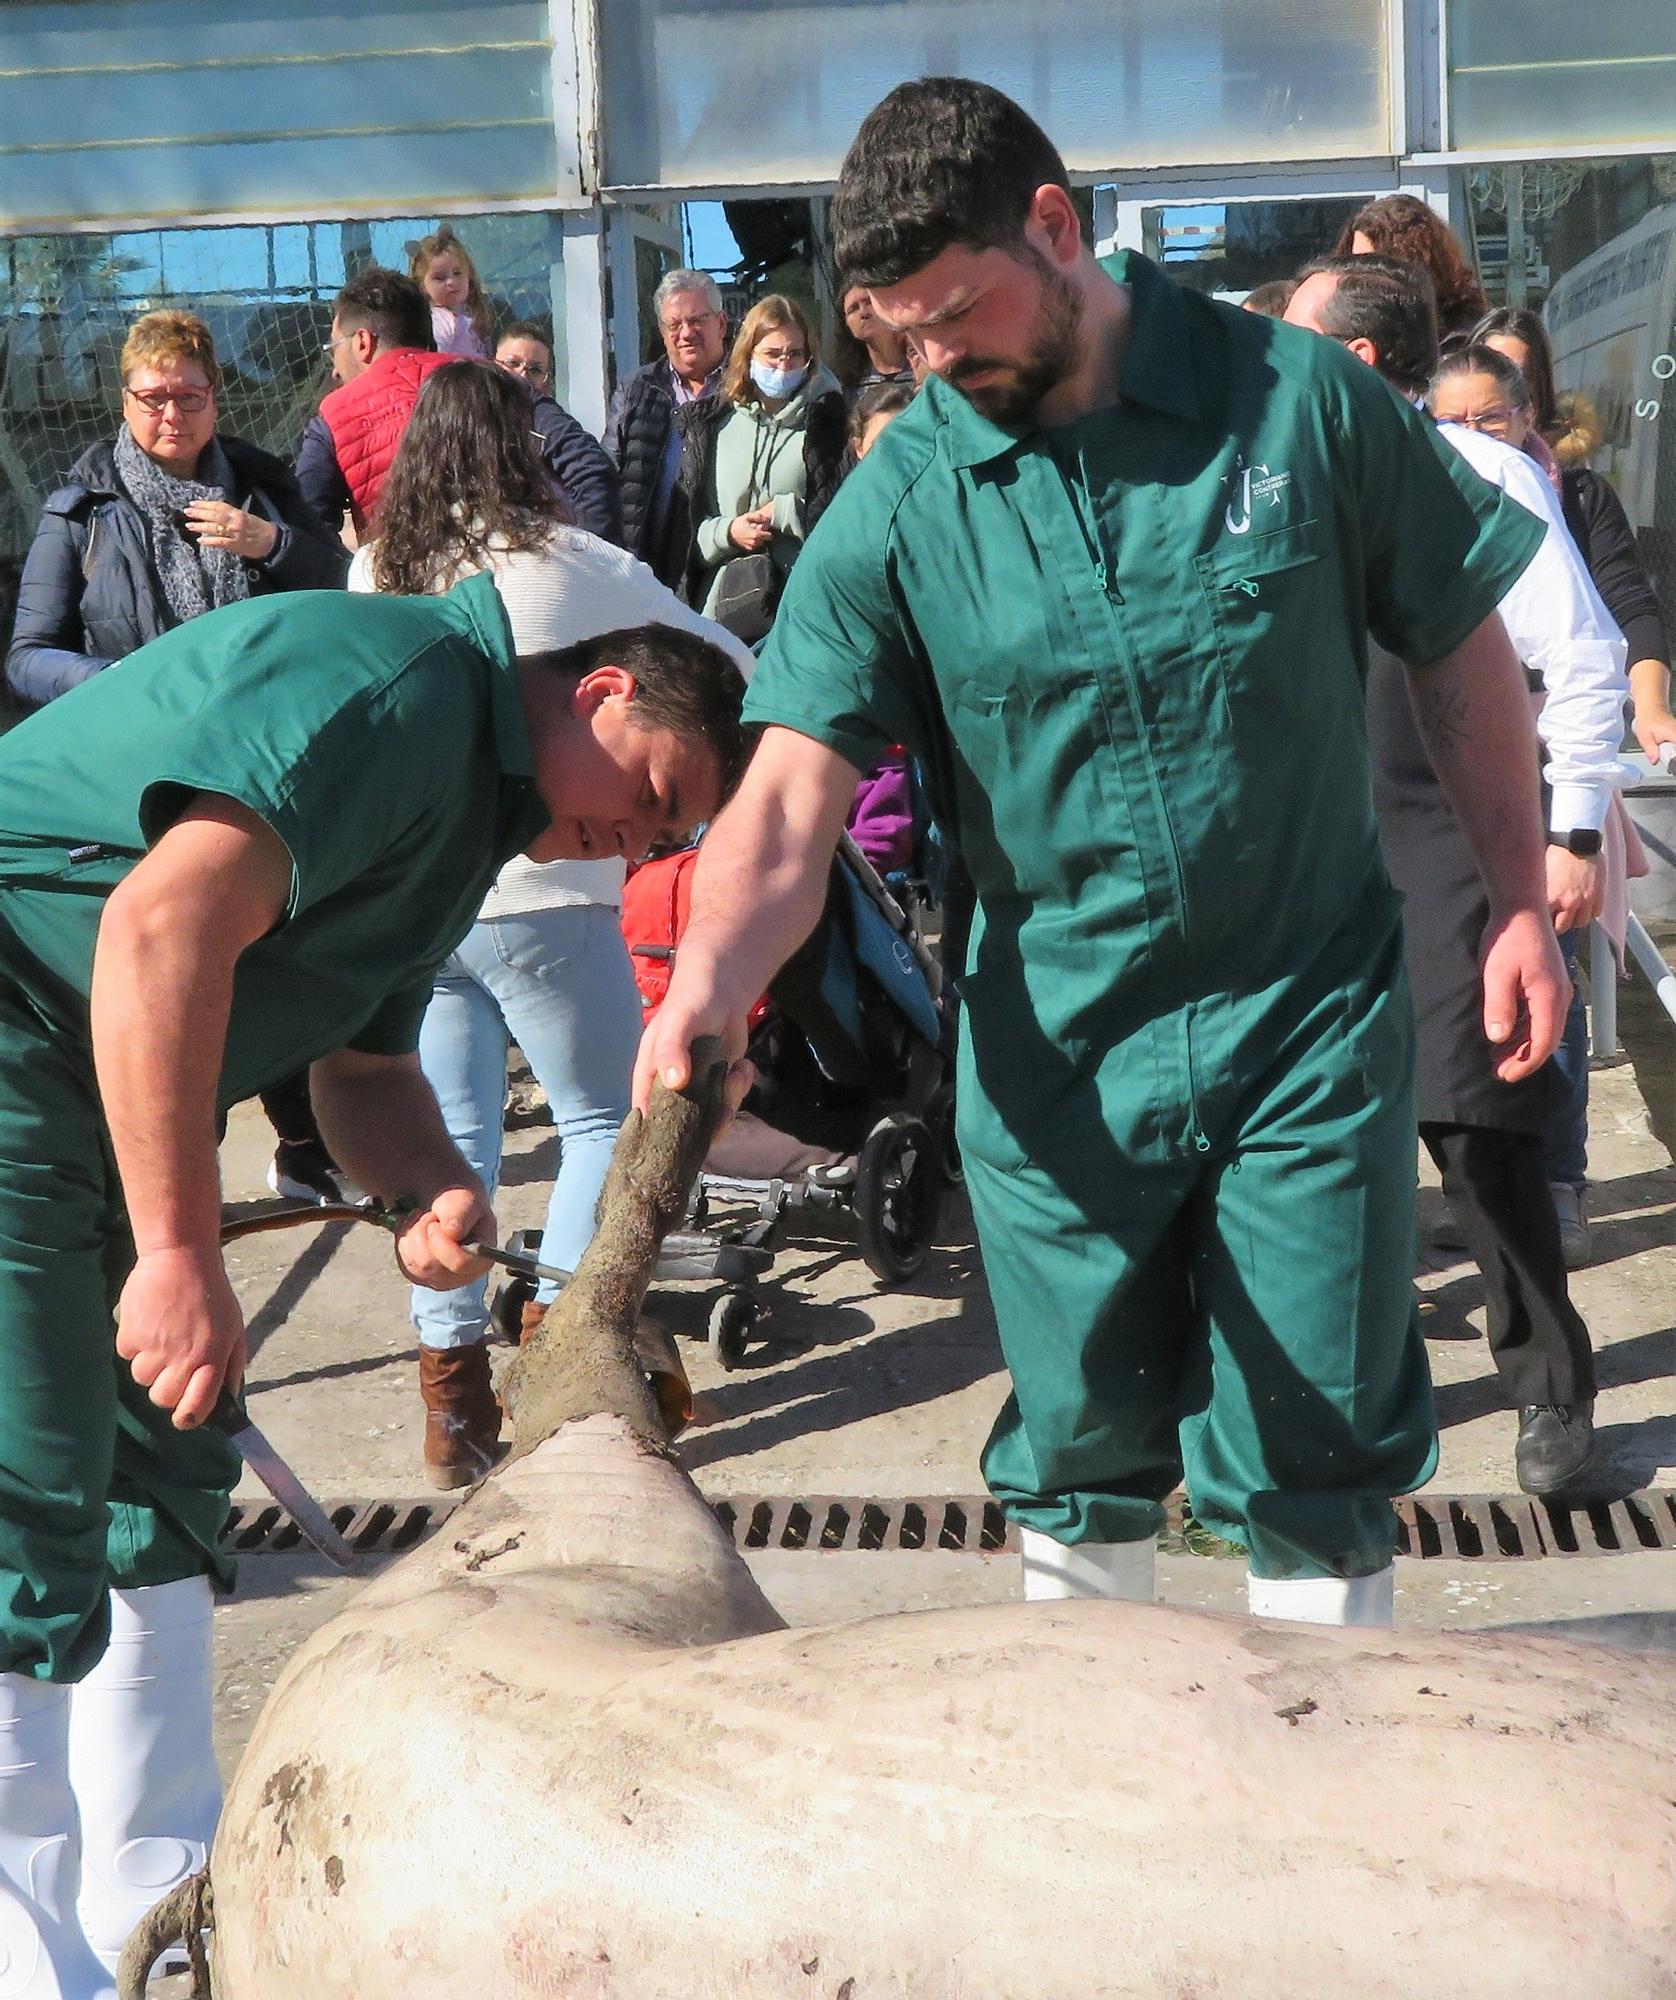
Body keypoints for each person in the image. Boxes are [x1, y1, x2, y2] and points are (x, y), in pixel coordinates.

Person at [637, 77, 1568, 1631]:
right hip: (1057, 1043)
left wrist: (1520, 904)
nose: (935, 361)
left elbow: (1463, 658)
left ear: (1057, 230)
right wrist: (711, 986)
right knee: (1076, 1453)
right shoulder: (909, 497)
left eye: (957, 315)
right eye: (898, 337)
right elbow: (790, 798)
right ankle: (1109, 1811)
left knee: (1318, 1447)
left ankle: (1325, 1809)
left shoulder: (1301, 404)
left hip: (1306, 1024)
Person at [0, 576, 745, 1988]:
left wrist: (432, 1187)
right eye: (658, 793)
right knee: (27, 1480)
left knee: (161, 1463)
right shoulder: (398, 692)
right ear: (603, 692)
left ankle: (144, 1894)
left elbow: (365, 1069)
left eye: (672, 832)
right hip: (18, 1023)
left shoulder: (467, 812)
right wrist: (175, 1254)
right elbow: (158, 931)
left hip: (92, 1065)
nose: (646, 837)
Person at [348, 360, 754, 1486]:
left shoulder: (375, 565)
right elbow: (727, 665)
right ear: (524, 449)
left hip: (424, 897)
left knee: (450, 1146)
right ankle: (562, 1352)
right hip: (548, 899)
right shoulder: (575, 563)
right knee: (593, 1123)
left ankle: (451, 1404)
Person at [1285, 255, 1623, 1494]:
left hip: (1447, 830)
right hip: (1308, 835)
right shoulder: (1261, 480)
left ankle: (1552, 1398)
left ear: (1355, 361)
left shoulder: (1480, 481)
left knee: (1476, 1127)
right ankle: (1332, 1399)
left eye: (1295, 335)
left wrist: (1570, 836)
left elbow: (1583, 665)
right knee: (1315, 1130)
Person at [3, 308, 353, 1211]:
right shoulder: (83, 504)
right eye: (154, 398)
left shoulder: (263, 484)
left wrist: (269, 544)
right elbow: (28, 653)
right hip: (139, 773)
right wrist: (131, 685)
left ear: (214, 397)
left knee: (270, 945)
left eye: (189, 397)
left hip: (259, 760)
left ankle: (305, 1141)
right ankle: (164, 1162)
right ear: (125, 399)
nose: (172, 416)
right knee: (166, 960)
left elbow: (351, 592)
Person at [1427, 336, 1647, 1267]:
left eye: (1491, 416)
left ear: (1525, 417)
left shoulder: (1546, 492)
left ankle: (1558, 1182)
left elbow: (1602, 638)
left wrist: (1577, 830)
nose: (1475, 434)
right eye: (1455, 421)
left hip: (1541, 778)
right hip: (1430, 796)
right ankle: (1479, 1186)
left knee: (1545, 993)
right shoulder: (1413, 487)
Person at [1472, 306, 1676, 768]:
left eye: (1513, 383)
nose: (1487, 411)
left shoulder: (1581, 500)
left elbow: (1631, 607)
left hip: (1556, 747)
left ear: (1533, 407)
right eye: (1484, 374)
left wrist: (1652, 707)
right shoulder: (1416, 501)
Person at [687, 294, 847, 624]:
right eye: (773, 354)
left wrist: (785, 512)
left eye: (795, 354)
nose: (784, 365)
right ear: (749, 356)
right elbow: (686, 531)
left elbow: (843, 519)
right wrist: (728, 532)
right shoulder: (715, 424)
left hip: (800, 607)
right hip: (722, 611)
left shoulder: (827, 424)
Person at [294, 267, 452, 534]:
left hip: (395, 570)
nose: (334, 370)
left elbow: (308, 531)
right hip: (503, 569)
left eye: (334, 348)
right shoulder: (496, 382)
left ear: (362, 342)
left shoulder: (334, 415)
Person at [604, 269, 728, 589]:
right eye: (674, 325)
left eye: (697, 320)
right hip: (643, 571)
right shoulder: (635, 389)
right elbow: (608, 474)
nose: (686, 333)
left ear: (722, 324)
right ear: (663, 332)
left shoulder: (743, 390)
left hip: (720, 569)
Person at [493, 320, 625, 545]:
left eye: (534, 369)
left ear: (546, 380)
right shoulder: (475, 415)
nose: (522, 375)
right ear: (492, 365)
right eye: (512, 363)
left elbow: (594, 473)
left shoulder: (544, 418)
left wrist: (592, 552)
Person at [1335, 193, 1488, 338]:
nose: (1357, 275)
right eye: (1354, 262)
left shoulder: (1463, 341)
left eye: (1371, 263)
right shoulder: (1357, 329)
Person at [409, 225, 493, 359]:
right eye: (440, 278)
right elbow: (436, 357)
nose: (451, 282)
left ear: (468, 276)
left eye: (457, 273)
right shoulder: (440, 320)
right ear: (422, 286)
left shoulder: (466, 317)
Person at [831, 280, 915, 399]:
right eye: (854, 308)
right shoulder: (845, 385)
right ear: (846, 324)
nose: (863, 313)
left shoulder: (923, 364)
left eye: (869, 302)